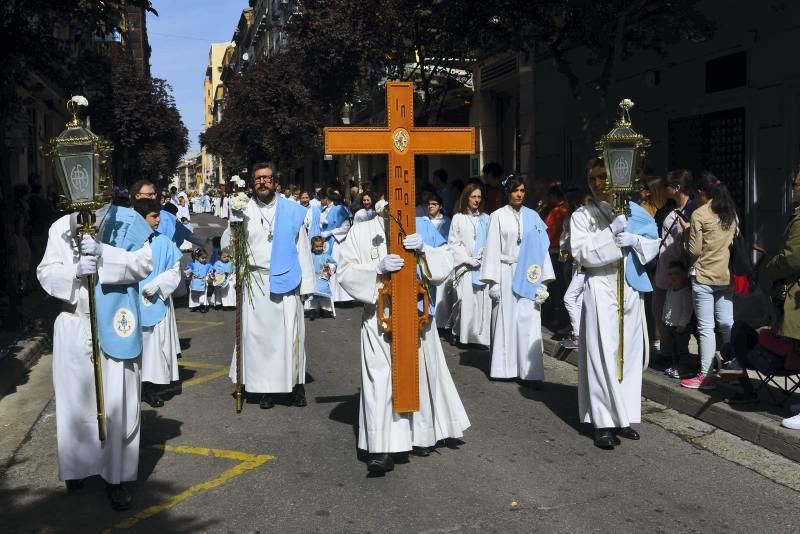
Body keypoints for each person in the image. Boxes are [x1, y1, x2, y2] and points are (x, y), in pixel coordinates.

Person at [36, 202, 154, 510]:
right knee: (76, 401)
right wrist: (73, 273)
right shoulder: (61, 226)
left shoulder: (128, 220)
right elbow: (45, 272)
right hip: (75, 321)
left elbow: (144, 264)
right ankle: (77, 466)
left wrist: (105, 253)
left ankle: (116, 477)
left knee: (115, 402)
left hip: (116, 321)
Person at [337, 211, 470, 476]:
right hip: (379, 318)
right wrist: (376, 268)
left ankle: (420, 436)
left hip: (415, 314)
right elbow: (344, 272)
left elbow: (444, 264)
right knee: (380, 381)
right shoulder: (360, 232)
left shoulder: (418, 225)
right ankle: (382, 448)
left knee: (417, 376)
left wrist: (423, 250)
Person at [570, 161, 659, 449]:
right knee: (602, 353)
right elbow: (582, 254)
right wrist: (611, 233)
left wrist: (634, 239)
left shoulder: (636, 212)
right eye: (592, 178)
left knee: (628, 353)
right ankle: (603, 421)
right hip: (600, 283)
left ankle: (624, 416)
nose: (597, 183)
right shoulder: (582, 215)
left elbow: (653, 246)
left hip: (630, 286)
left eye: (602, 177)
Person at [227, 162, 314, 410]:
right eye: (258, 179)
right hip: (255, 282)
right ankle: (264, 389)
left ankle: (297, 386)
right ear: (252, 182)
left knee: (291, 336)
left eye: (267, 178)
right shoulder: (243, 209)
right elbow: (230, 248)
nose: (262, 182)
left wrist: (307, 286)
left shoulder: (291, 210)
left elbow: (302, 248)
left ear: (275, 181)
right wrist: (233, 225)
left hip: (286, 282)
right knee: (259, 340)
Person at [480, 176, 554, 384]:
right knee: (505, 319)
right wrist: (492, 280)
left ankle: (530, 372)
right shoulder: (497, 216)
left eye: (522, 190)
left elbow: (541, 248)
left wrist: (543, 280)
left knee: (529, 319)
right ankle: (505, 368)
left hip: (528, 273)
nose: (519, 194)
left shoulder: (533, 217)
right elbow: (492, 247)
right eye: (515, 191)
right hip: (505, 272)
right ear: (508, 193)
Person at [679, 172, 737, 390]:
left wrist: (686, 234)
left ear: (702, 192)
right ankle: (735, 367)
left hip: (703, 276)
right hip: (725, 276)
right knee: (726, 324)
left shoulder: (699, 214)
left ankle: (706, 375)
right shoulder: (730, 212)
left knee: (706, 327)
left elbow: (693, 250)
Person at [133, 199, 183, 408]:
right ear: (141, 219)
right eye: (154, 216)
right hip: (132, 303)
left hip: (155, 300)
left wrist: (158, 284)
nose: (159, 220)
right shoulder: (126, 243)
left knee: (154, 348)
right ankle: (132, 388)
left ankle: (150, 388)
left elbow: (174, 269)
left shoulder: (163, 241)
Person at [652, 170, 696, 354]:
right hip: (665, 268)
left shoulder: (693, 210)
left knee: (681, 314)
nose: (665, 190)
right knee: (661, 310)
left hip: (681, 269)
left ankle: (679, 354)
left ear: (677, 188)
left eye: (668, 186)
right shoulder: (669, 209)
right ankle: (667, 351)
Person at [447, 183, 492, 346]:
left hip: (481, 267)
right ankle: (461, 334)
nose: (476, 200)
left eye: (479, 197)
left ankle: (480, 337)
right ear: (466, 198)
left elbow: (492, 241)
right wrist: (467, 259)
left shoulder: (487, 218)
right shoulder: (458, 218)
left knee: (481, 304)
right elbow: (453, 242)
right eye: (473, 196)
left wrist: (483, 255)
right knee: (463, 302)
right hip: (465, 267)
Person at [560, 190, 593, 350]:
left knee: (569, 298)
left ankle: (578, 334)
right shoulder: (571, 217)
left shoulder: (582, 218)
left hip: (583, 264)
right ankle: (579, 332)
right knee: (578, 299)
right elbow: (566, 240)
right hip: (575, 262)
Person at [422, 193, 452, 327]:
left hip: (440, 258)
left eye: (433, 204)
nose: (430, 206)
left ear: (440, 206)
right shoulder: (423, 221)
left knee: (442, 292)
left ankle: (443, 322)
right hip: (426, 257)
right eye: (428, 204)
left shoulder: (447, 221)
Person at [320, 187, 353, 304]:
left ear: (326, 199)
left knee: (337, 268)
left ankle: (341, 297)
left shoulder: (340, 209)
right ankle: (327, 295)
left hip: (337, 244)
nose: (320, 201)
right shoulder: (322, 210)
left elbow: (346, 227)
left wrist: (330, 232)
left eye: (321, 198)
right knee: (326, 267)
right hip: (325, 244)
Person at [661, 261, 693, 379]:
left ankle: (684, 368)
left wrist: (683, 324)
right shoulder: (670, 291)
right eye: (670, 274)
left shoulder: (685, 293)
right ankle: (675, 365)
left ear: (684, 275)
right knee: (673, 347)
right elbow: (666, 305)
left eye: (676, 274)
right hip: (670, 325)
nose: (673, 277)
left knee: (682, 348)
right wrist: (664, 318)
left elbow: (687, 310)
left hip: (680, 327)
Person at [305, 235, 337, 319]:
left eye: (320, 246)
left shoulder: (326, 256)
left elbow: (335, 264)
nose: (319, 248)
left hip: (323, 277)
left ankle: (325, 309)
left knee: (323, 288)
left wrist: (329, 265)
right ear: (313, 247)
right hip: (313, 278)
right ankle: (313, 309)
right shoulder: (310, 256)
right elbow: (306, 264)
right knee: (312, 291)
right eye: (317, 247)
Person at [185, 248, 213, 313]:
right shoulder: (192, 264)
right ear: (197, 257)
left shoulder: (207, 265)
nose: (204, 259)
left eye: (205, 258)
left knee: (203, 295)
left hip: (203, 282)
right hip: (194, 282)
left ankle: (203, 306)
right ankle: (194, 306)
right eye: (202, 258)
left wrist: (211, 274)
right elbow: (187, 269)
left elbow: (211, 271)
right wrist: (189, 270)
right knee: (193, 295)